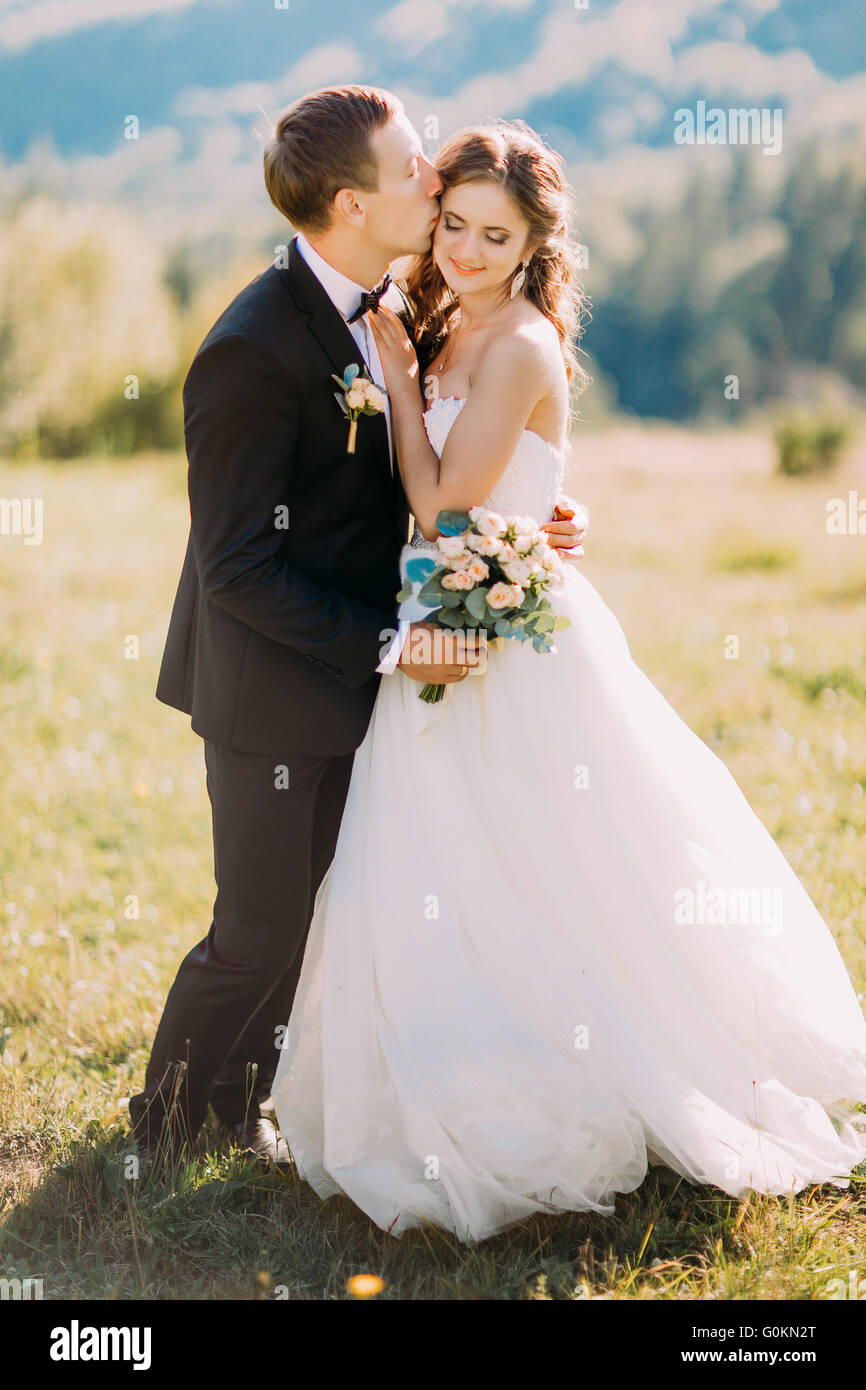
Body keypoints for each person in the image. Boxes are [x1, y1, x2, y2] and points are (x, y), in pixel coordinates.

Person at [271, 119, 866, 1242]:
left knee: (553, 860)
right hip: (442, 621)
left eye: (494, 235)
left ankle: (610, 1065)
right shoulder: (444, 315)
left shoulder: (521, 345)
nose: (463, 250)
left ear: (537, 240)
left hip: (510, 645)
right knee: (435, 859)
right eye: (450, 224)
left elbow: (447, 504)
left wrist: (399, 389)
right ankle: (442, 1066)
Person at [128, 88, 583, 1164]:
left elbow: (420, 468)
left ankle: (260, 1105)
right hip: (274, 685)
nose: (434, 178)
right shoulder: (249, 346)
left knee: (327, 912)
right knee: (256, 930)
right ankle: (170, 1130)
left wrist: (531, 518)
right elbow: (234, 563)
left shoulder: (385, 306)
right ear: (350, 201)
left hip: (357, 672)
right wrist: (385, 644)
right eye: (415, 167)